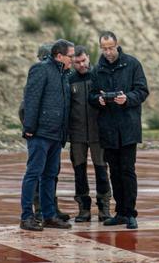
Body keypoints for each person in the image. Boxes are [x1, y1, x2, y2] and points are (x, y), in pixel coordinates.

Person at [89, 31, 149, 230]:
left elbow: (142, 91)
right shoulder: (97, 70)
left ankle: (130, 213)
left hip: (128, 128)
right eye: (104, 48)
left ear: (117, 45)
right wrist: (97, 100)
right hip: (108, 129)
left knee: (127, 171)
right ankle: (120, 212)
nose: (107, 52)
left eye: (110, 47)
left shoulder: (132, 64)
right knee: (114, 172)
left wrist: (128, 99)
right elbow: (92, 95)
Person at [20, 38, 74, 231]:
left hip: (56, 135)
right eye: (70, 55)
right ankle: (26, 217)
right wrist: (29, 128)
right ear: (59, 56)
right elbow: (31, 101)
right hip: (40, 133)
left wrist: (63, 133)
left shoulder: (64, 74)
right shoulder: (41, 69)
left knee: (50, 176)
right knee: (33, 174)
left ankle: (49, 215)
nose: (73, 59)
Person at [68, 45, 111, 222]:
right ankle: (83, 209)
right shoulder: (69, 80)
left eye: (83, 60)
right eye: (77, 62)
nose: (81, 64)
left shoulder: (99, 76)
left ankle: (104, 208)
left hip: (98, 134)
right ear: (72, 62)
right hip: (76, 135)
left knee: (102, 171)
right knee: (79, 172)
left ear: (88, 58)